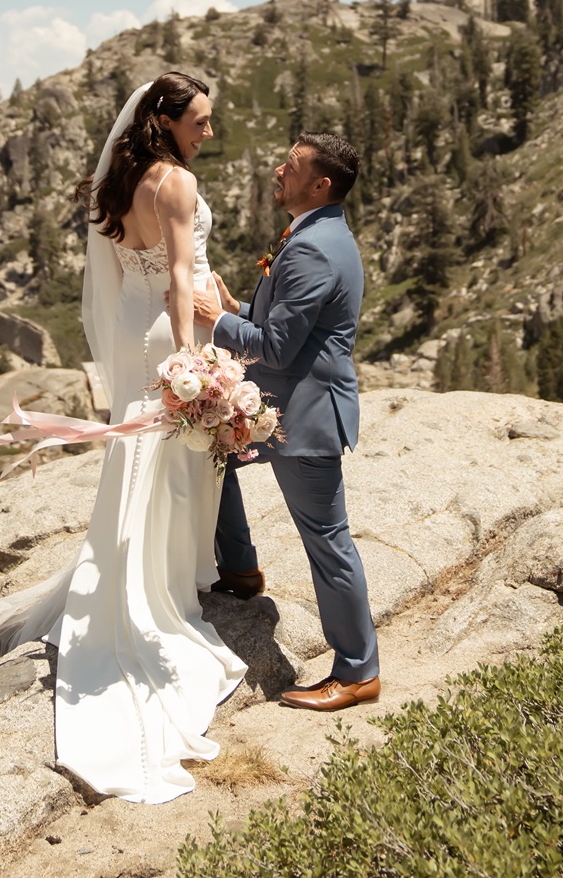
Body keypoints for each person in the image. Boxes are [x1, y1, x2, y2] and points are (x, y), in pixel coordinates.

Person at [0, 73, 246, 804]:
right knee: (171, 467)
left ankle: (157, 573)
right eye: (199, 122)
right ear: (167, 120)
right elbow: (179, 274)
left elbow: (145, 272)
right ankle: (168, 591)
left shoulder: (123, 179)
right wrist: (193, 358)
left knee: (147, 458)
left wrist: (215, 308)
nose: (209, 133)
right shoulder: (173, 183)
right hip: (168, 333)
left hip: (134, 331)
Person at [193, 133, 380, 713]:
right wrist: (242, 308)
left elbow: (275, 348)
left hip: (303, 417)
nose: (278, 170)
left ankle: (358, 671)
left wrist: (219, 319)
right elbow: (290, 325)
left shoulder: (313, 248)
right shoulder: (315, 235)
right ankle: (242, 570)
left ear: (320, 184)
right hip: (276, 411)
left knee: (328, 543)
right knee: (207, 460)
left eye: (291, 167)